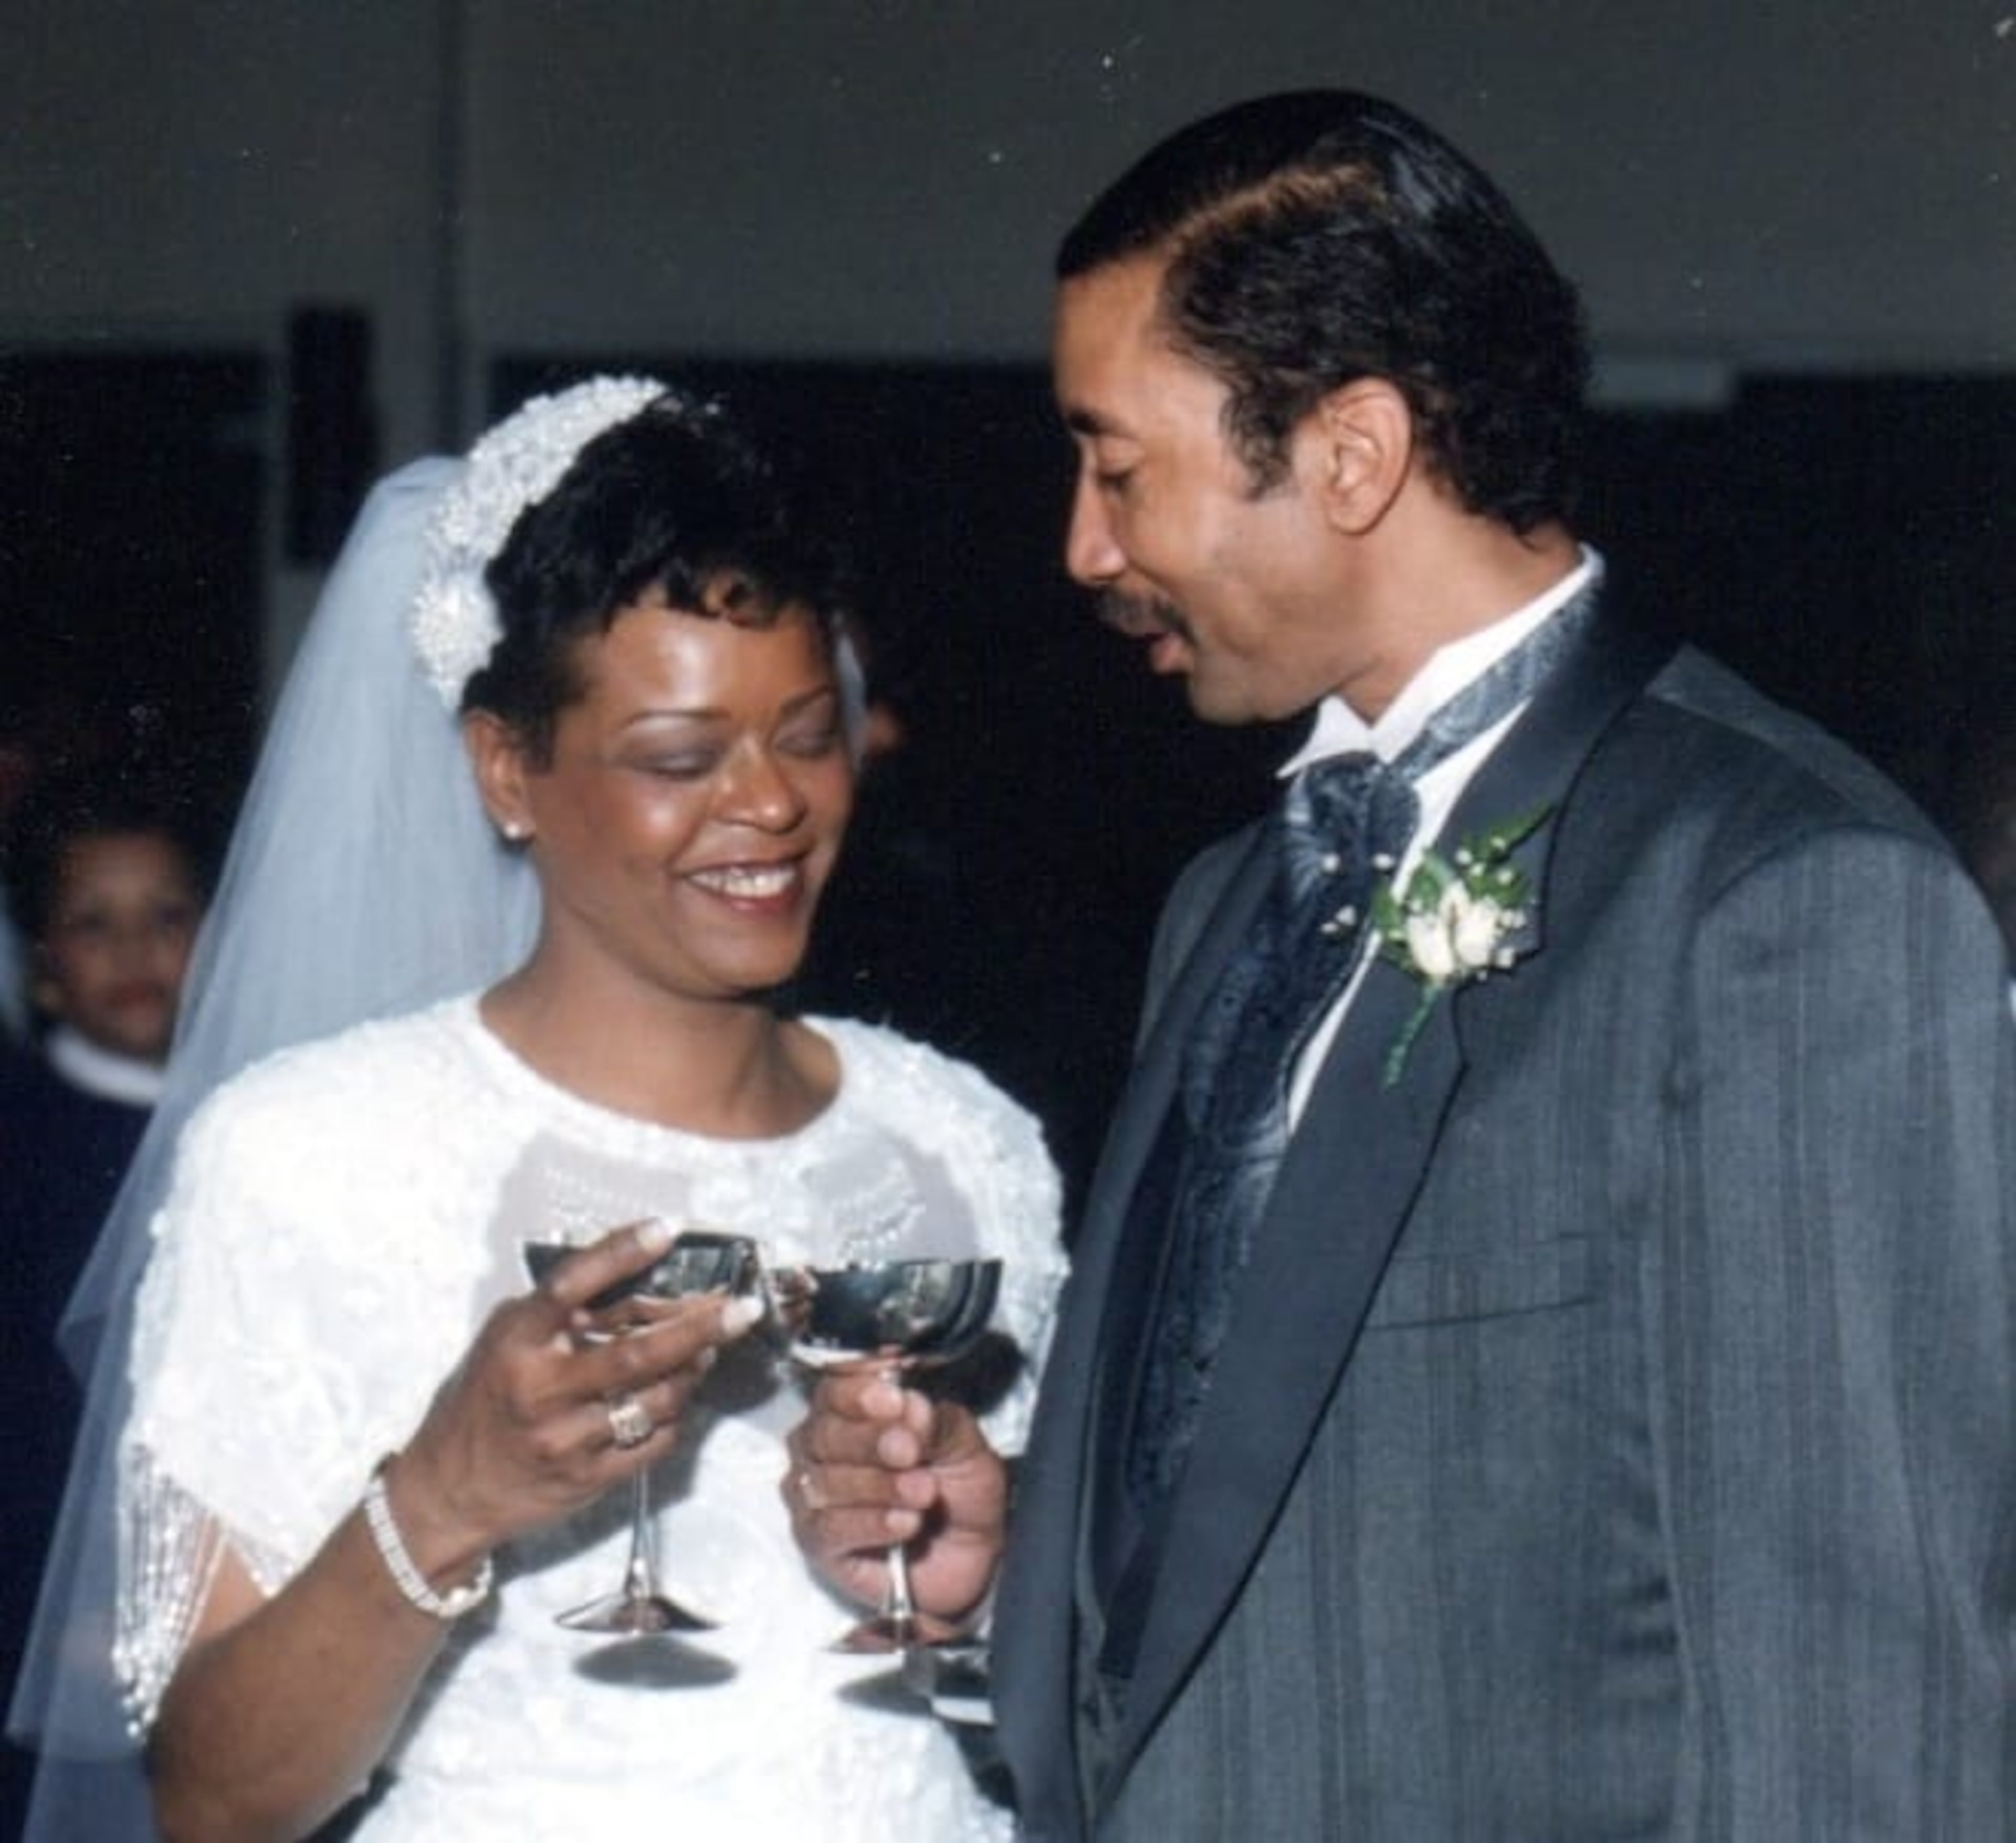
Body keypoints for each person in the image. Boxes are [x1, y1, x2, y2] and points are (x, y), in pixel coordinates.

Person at [787, 90, 2016, 1837]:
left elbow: (1860, 1726)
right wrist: (1038, 1575)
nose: (1083, 545)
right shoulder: (1228, 898)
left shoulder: (1780, 900)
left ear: (1352, 454)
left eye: (1119, 465)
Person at [9, 378, 1064, 1842]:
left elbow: (1068, 1711)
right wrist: (445, 1493)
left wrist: (977, 1572)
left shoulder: (967, 1137)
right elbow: (214, 1799)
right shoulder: (309, 1152)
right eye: (680, 757)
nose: (768, 804)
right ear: (509, 768)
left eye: (809, 732)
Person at [0, 773, 208, 1838]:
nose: (135, 952)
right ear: (42, 972)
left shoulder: (251, 1122)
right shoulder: (22, 1141)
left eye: (167, 916)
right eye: (94, 925)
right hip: (48, 1594)